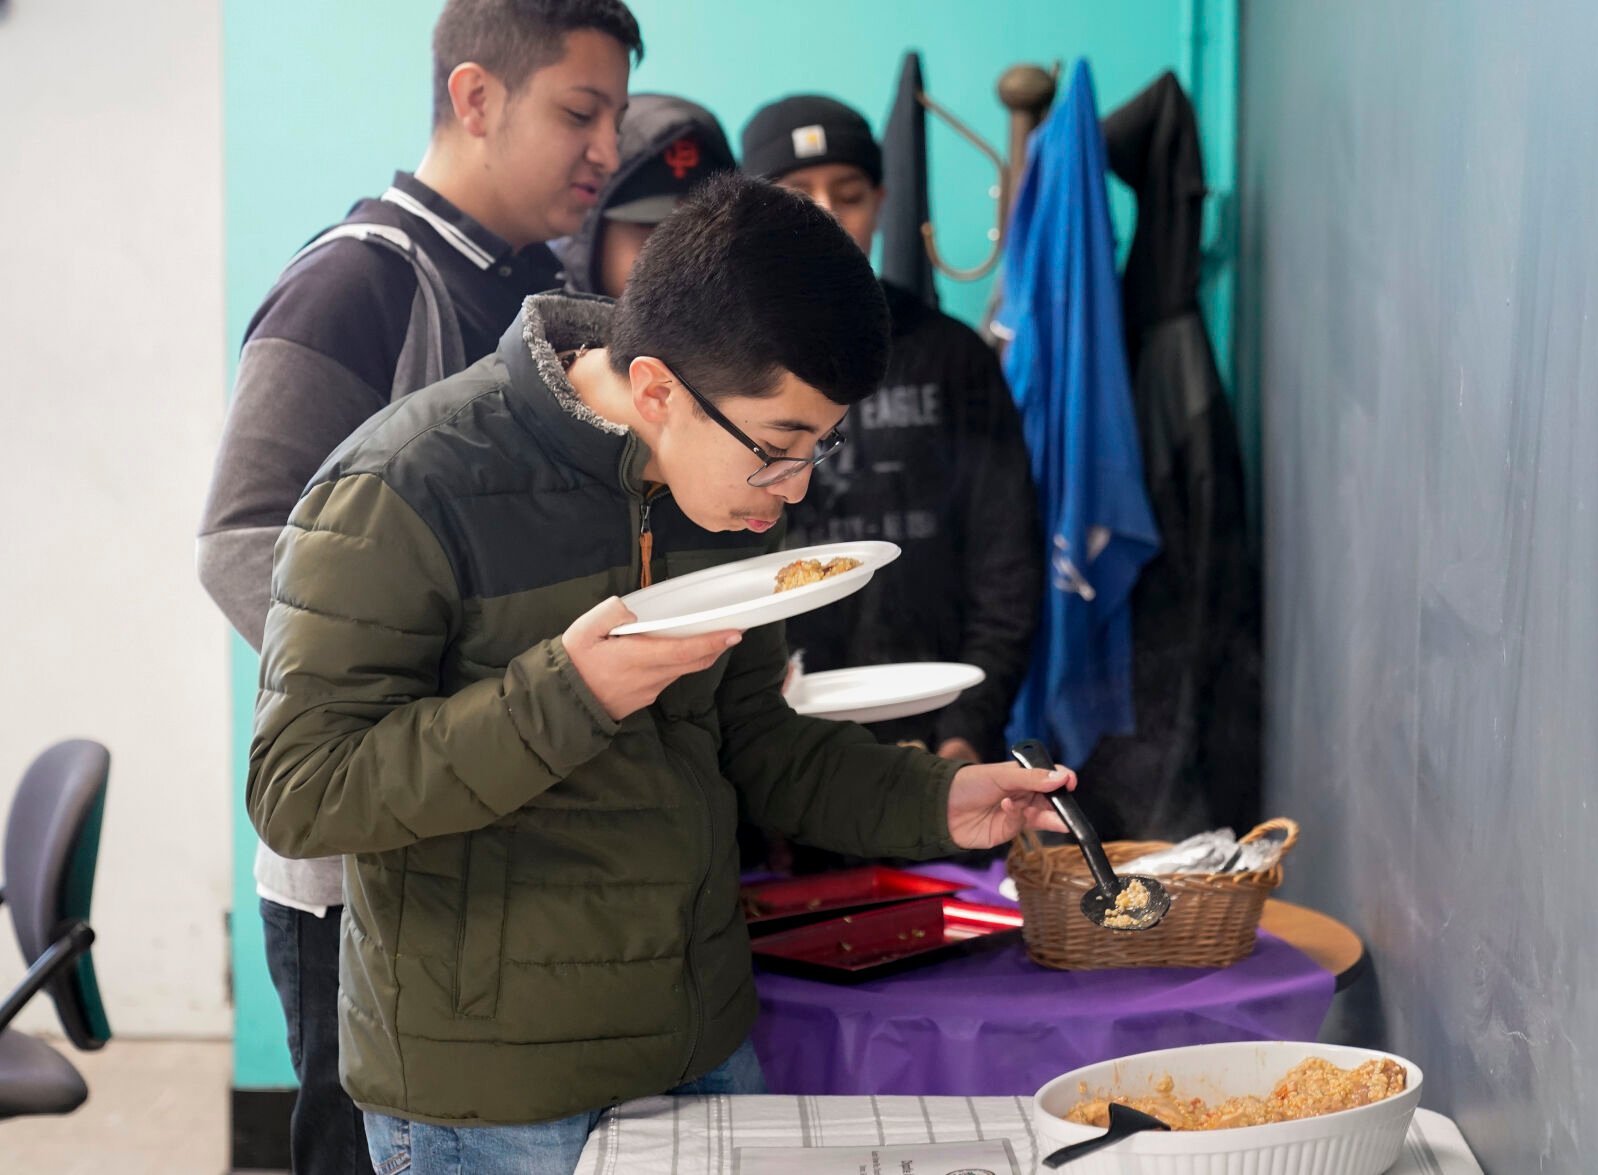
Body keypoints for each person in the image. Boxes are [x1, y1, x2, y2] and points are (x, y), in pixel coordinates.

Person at [246, 172, 1078, 1175]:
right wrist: (567, 695)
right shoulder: (403, 485)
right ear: (655, 391)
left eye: (817, 446)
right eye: (777, 448)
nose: (793, 490)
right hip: (492, 1102)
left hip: (701, 1051)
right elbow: (300, 791)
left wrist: (939, 799)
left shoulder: (718, 493)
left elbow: (756, 743)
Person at [195, 3, 640, 1170]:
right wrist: (450, 717)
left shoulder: (545, 291)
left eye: (615, 117)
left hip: (509, 840)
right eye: (581, 113)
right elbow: (238, 538)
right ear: (476, 97)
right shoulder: (357, 284)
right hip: (368, 871)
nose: (607, 150)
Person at [739, 95, 1042, 769]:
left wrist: (968, 727)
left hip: (940, 732)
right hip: (775, 745)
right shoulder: (725, 369)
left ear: (879, 202)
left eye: (848, 195)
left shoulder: (951, 357)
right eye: (798, 197)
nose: (826, 214)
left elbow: (1006, 561)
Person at [560, 92, 736, 296]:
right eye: (650, 228)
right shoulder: (539, 313)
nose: (679, 255)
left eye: (702, 230)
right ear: (591, 235)